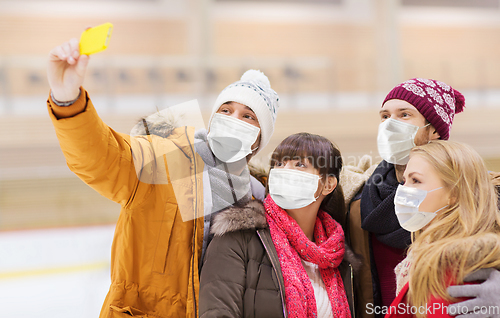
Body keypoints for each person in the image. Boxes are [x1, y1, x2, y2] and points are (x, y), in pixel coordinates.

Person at [46, 37, 279, 317]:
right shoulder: (163, 160)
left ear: (258, 139)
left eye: (248, 116)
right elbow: (101, 157)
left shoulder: (258, 201)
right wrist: (68, 101)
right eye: (226, 110)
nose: (233, 119)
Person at [199, 133, 361, 318]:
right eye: (279, 164)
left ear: (328, 184)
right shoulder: (236, 238)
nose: (284, 170)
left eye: (299, 164)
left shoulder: (338, 258)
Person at [385, 140, 500, 318]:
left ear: (454, 193)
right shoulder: (421, 256)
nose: (402, 190)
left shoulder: (456, 266)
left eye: (416, 180)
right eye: (404, 180)